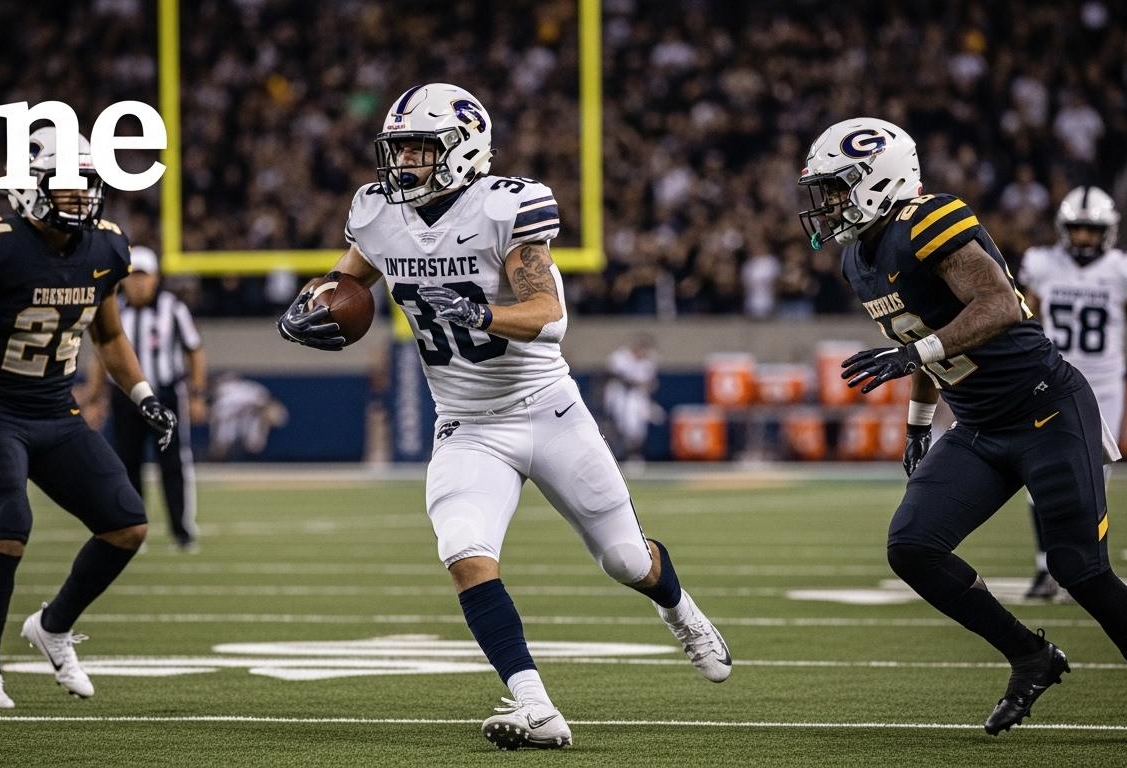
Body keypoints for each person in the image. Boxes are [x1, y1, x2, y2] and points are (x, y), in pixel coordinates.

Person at [277, 83, 731, 750]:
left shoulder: (507, 206)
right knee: (464, 552)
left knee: (626, 559)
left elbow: (548, 314)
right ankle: (536, 706)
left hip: (547, 409)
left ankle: (681, 611)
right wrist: (312, 304)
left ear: (462, 149)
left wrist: (481, 312)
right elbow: (345, 279)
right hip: (466, 422)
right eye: (398, 148)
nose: (402, 162)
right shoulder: (377, 213)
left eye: (419, 149)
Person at [797, 117, 1127, 745]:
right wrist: (918, 425)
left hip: (1046, 410)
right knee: (913, 546)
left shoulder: (928, 219)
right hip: (980, 424)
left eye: (838, 187)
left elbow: (999, 305)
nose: (829, 204)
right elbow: (921, 338)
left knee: (1079, 568)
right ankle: (1031, 655)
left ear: (879, 179)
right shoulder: (857, 259)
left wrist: (915, 354)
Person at [0, 127, 176, 710]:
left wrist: (143, 395)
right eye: (67, 183)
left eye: (87, 183)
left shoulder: (105, 247)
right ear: (28, 186)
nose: (82, 195)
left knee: (127, 525)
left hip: (57, 410)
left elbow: (110, 336)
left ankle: (53, 626)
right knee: (8, 529)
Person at [1018, 186, 1127, 599]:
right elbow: (1023, 324)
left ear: (1108, 231)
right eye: (1076, 229)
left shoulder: (1125, 269)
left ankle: (1086, 569)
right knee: (1038, 477)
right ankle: (1045, 568)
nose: (1083, 237)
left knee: (1091, 485)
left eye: (1091, 230)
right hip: (1050, 382)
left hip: (1102, 389)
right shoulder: (1042, 264)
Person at [83, 246, 206, 551]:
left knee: (173, 464)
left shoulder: (173, 308)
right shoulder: (113, 309)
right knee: (127, 464)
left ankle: (181, 530)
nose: (138, 283)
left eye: (144, 276)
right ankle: (133, 529)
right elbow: (100, 357)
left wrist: (196, 394)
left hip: (165, 395)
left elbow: (194, 351)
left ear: (155, 278)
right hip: (125, 397)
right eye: (133, 276)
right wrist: (94, 398)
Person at [602, 335, 662, 463]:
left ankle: (634, 456)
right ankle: (621, 455)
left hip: (637, 398)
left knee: (639, 428)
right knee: (623, 427)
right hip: (618, 396)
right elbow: (608, 374)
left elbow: (650, 384)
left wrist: (640, 384)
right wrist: (629, 381)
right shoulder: (620, 357)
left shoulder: (647, 363)